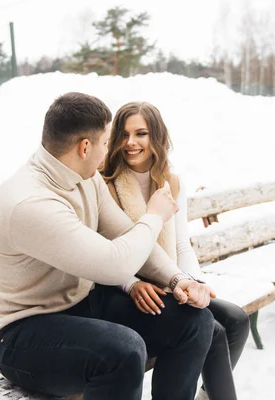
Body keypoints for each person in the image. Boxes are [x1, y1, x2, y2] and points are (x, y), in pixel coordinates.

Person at [0, 92, 217, 400]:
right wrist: (154, 217)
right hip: (21, 334)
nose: (110, 151)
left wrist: (178, 279)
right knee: (122, 351)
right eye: (107, 142)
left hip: (80, 307)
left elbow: (124, 233)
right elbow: (114, 265)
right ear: (85, 147)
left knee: (195, 321)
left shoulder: (85, 177)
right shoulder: (30, 201)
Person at [101, 101, 250, 400]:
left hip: (170, 281)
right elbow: (105, 252)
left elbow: (182, 244)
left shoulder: (170, 182)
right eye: (124, 134)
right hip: (125, 287)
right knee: (213, 330)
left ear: (156, 137)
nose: (131, 143)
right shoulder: (107, 184)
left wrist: (194, 284)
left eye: (141, 133)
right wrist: (131, 284)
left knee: (235, 320)